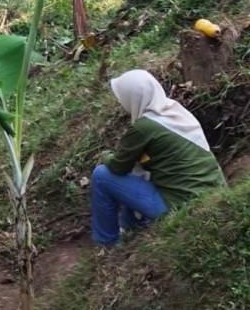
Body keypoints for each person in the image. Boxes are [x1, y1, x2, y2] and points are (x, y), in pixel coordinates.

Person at [90, 70, 226, 247]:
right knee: (139, 169)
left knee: (101, 175)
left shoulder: (144, 127)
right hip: (213, 194)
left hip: (181, 206)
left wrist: (105, 156)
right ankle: (134, 226)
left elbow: (118, 167)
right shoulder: (174, 111)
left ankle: (107, 243)